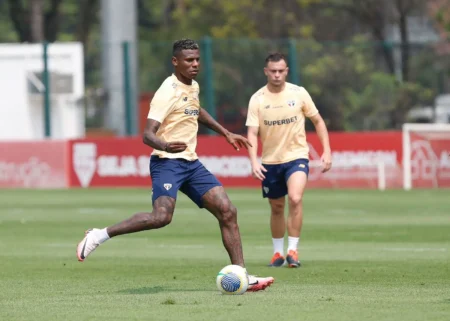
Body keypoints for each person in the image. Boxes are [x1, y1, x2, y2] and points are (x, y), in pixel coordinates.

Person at [76, 39, 274, 292]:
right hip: (167, 163)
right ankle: (98, 235)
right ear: (175, 62)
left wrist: (225, 132)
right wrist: (166, 146)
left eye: (197, 60)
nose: (194, 65)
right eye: (189, 60)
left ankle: (242, 276)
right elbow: (147, 134)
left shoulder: (192, 86)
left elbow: (195, 109)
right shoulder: (166, 91)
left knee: (227, 211)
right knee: (161, 217)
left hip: (191, 164)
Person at [245, 52, 332, 268]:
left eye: (280, 71)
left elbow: (318, 121)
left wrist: (327, 151)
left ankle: (293, 250)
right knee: (276, 207)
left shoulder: (299, 93)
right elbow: (252, 133)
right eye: (272, 71)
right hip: (270, 161)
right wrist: (254, 162)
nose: (276, 75)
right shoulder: (257, 99)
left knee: (294, 198)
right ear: (266, 72)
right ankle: (277, 253)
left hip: (297, 157)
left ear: (287, 71)